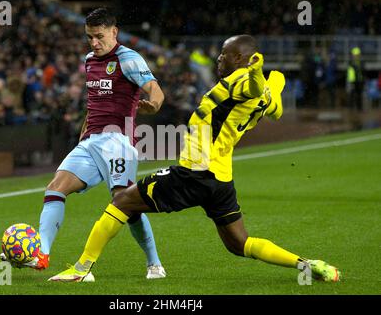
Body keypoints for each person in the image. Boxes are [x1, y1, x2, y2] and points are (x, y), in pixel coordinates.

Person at [48, 35, 341, 283]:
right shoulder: (265, 92)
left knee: (121, 201)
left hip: (195, 172)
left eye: (224, 55)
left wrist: (255, 74)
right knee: (240, 244)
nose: (218, 60)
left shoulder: (242, 79)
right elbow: (274, 107)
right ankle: (306, 264)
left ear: (241, 58)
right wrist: (272, 81)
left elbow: (250, 87)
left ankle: (81, 268)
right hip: (221, 178)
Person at [1, 8, 167, 280]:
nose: (94, 43)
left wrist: (154, 105)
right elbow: (93, 105)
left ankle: (154, 264)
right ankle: (42, 255)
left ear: (114, 32)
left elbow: (155, 89)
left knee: (124, 202)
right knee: (55, 189)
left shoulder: (129, 59)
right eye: (89, 37)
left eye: (99, 36)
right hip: (91, 142)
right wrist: (83, 136)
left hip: (118, 141)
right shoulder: (90, 60)